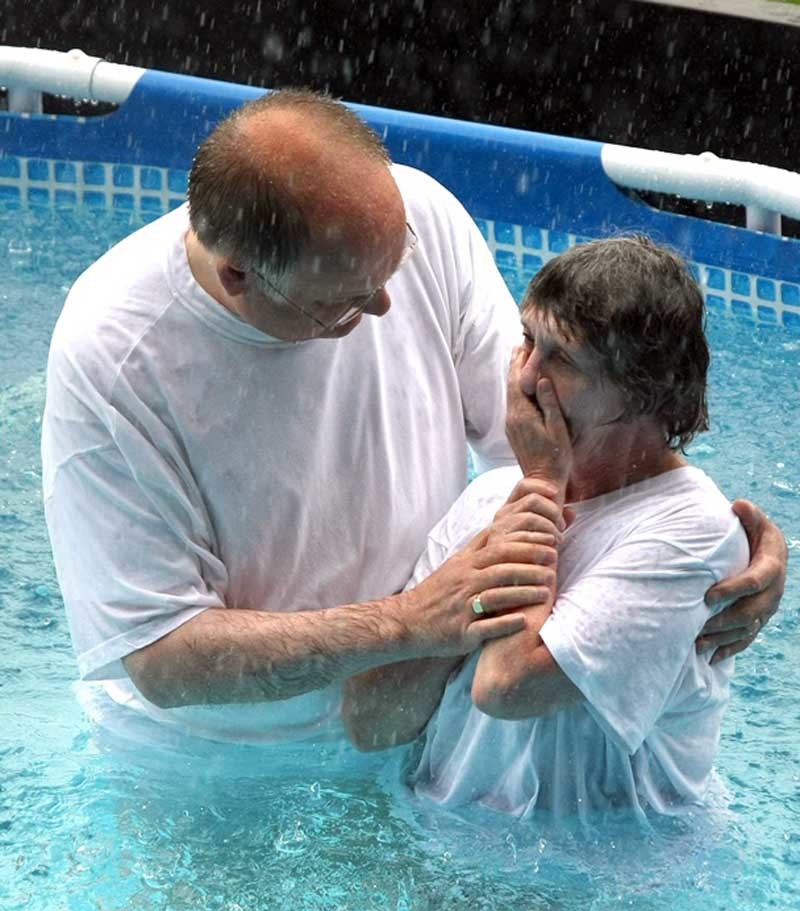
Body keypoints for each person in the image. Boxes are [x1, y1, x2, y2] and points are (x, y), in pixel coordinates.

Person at [42, 90, 785, 745]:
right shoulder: (115, 356)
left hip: (406, 718)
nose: (383, 310)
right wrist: (405, 622)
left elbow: (561, 437)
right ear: (239, 275)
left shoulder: (419, 214)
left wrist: (717, 546)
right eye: (345, 299)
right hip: (218, 762)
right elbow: (161, 657)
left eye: (389, 270)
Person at [342, 237, 756, 819]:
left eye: (562, 357)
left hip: (604, 883)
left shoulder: (692, 531)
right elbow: (372, 721)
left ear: (643, 390)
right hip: (441, 848)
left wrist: (541, 481)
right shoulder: (490, 496)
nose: (525, 377)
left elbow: (509, 688)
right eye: (529, 340)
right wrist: (445, 615)